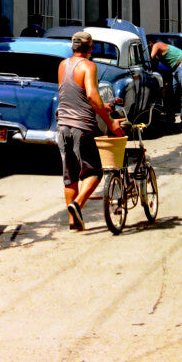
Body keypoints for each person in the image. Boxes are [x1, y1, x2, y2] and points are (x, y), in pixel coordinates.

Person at [57, 30, 125, 231]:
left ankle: (74, 222)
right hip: (82, 127)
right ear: (90, 48)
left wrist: (104, 106)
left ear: (72, 47)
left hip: (62, 126)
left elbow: (74, 94)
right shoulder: (89, 66)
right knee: (94, 171)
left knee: (70, 174)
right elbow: (92, 96)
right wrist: (110, 121)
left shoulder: (62, 65)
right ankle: (77, 204)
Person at [149, 38, 182, 126]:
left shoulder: (156, 45)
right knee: (172, 93)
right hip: (176, 68)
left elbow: (150, 58)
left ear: (150, 44)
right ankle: (170, 118)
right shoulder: (159, 53)